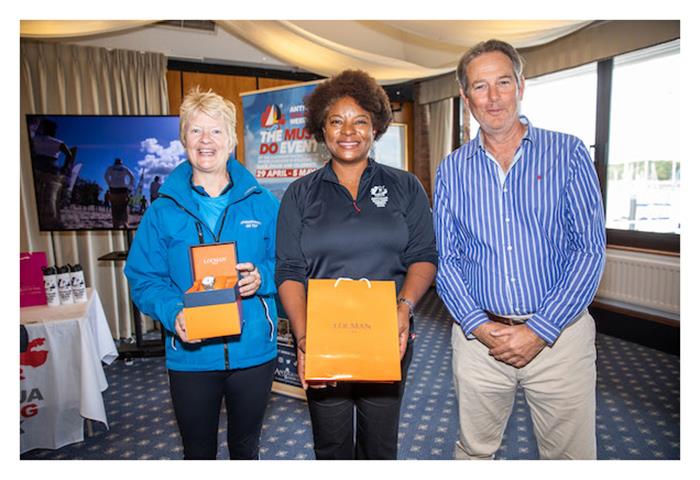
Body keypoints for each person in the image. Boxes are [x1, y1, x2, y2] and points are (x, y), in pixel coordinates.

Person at [433, 39, 606, 460]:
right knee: (474, 452)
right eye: (480, 86)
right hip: (479, 342)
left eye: (503, 82)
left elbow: (589, 250)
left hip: (560, 339)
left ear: (521, 86)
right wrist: (477, 324)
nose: (493, 98)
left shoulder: (568, 153)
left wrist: (539, 330)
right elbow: (448, 259)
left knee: (571, 458)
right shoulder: (451, 170)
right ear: (465, 96)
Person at [276, 69, 437, 460]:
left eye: (360, 121)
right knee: (331, 447)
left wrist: (405, 309)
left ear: (376, 128)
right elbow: (289, 270)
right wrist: (303, 338)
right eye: (336, 121)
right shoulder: (299, 194)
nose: (348, 131)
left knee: (380, 447)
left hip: (388, 334)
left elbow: (424, 257)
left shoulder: (406, 186)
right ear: (322, 129)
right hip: (322, 340)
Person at [124, 87, 280, 460]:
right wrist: (172, 311)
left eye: (215, 131)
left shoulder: (264, 201)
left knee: (246, 449)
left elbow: (290, 265)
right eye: (196, 131)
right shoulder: (162, 210)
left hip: (254, 351)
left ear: (232, 141)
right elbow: (143, 277)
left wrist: (263, 277)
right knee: (197, 453)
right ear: (183, 139)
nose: (205, 140)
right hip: (191, 354)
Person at [29, 118, 75, 228]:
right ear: (53, 130)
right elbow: (69, 155)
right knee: (52, 198)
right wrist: (65, 168)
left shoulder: (34, 139)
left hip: (37, 168)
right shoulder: (58, 142)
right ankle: (51, 221)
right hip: (52, 170)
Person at [103, 158, 135, 228]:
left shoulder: (110, 168)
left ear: (115, 162)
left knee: (114, 207)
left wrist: (110, 183)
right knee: (124, 206)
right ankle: (125, 223)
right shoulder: (124, 168)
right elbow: (132, 177)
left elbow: (105, 176)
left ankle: (116, 224)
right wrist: (129, 187)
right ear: (121, 163)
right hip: (123, 189)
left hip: (113, 189)